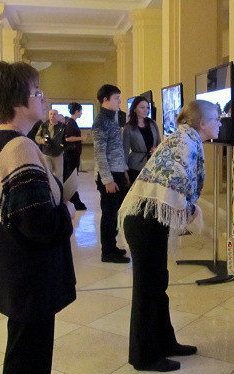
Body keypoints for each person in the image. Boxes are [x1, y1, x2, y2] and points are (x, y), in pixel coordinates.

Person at [0, 61, 76, 374]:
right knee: (29, 361)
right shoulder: (19, 146)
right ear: (19, 102)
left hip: (15, 273)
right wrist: (67, 213)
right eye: (37, 92)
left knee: (22, 353)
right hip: (30, 277)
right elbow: (39, 225)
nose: (43, 98)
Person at [118, 100, 222, 372]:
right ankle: (144, 356)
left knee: (157, 284)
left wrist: (187, 208)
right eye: (217, 119)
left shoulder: (185, 139)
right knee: (147, 290)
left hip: (148, 219)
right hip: (145, 220)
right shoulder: (184, 143)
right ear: (202, 124)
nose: (220, 124)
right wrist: (189, 210)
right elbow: (173, 185)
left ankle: (165, 342)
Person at [92, 84, 130, 263]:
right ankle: (107, 252)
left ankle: (112, 245)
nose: (119, 102)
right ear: (105, 100)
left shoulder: (112, 120)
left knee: (115, 212)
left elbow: (117, 150)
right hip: (109, 175)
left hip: (117, 172)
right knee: (109, 214)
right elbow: (100, 153)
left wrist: (124, 171)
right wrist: (107, 180)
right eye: (116, 98)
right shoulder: (101, 122)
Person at [123, 96, 161, 184]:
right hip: (136, 165)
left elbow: (159, 142)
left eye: (147, 107)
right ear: (134, 109)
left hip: (153, 164)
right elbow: (125, 150)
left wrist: (156, 150)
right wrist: (124, 170)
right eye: (142, 107)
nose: (145, 110)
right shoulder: (128, 127)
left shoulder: (152, 123)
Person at [64, 102, 87, 210]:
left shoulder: (70, 122)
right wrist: (81, 138)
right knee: (71, 177)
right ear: (77, 111)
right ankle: (74, 200)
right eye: (81, 111)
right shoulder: (71, 122)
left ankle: (73, 199)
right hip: (72, 154)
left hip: (72, 153)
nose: (82, 113)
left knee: (71, 176)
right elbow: (68, 138)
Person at [35, 109, 66, 180]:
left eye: (54, 114)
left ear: (57, 116)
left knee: (59, 175)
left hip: (58, 154)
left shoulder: (62, 126)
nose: (52, 116)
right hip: (46, 153)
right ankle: (50, 190)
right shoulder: (44, 125)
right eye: (51, 114)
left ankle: (59, 190)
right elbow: (37, 136)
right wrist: (41, 140)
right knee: (48, 174)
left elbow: (66, 138)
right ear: (48, 116)